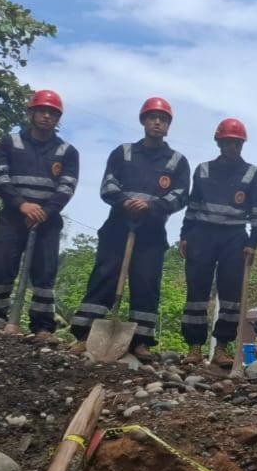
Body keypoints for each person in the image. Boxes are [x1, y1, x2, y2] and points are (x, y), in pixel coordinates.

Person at [69, 98, 190, 360]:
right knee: (104, 275)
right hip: (117, 226)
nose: (157, 122)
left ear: (168, 126)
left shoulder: (177, 161)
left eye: (163, 119)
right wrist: (126, 202)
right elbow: (108, 185)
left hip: (152, 232)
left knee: (146, 283)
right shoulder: (122, 153)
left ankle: (141, 341)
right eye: (152, 117)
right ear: (143, 121)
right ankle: (84, 333)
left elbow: (180, 196)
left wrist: (152, 206)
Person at [0, 89, 79, 341]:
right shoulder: (10, 142)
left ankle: (43, 327)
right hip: (13, 217)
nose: (47, 116)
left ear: (58, 119)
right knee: (1, 268)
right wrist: (22, 205)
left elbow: (67, 188)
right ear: (31, 113)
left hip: (47, 221)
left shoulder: (67, 151)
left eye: (53, 113)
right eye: (42, 111)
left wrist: (44, 212)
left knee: (44, 273)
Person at [179, 118, 257, 366]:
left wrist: (253, 241)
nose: (232, 146)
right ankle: (194, 347)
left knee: (231, 296)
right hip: (202, 235)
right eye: (228, 141)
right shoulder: (203, 170)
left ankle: (222, 348)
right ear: (219, 142)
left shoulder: (253, 174)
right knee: (196, 293)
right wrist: (185, 235)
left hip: (234, 238)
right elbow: (193, 206)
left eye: (237, 142)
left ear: (242, 144)